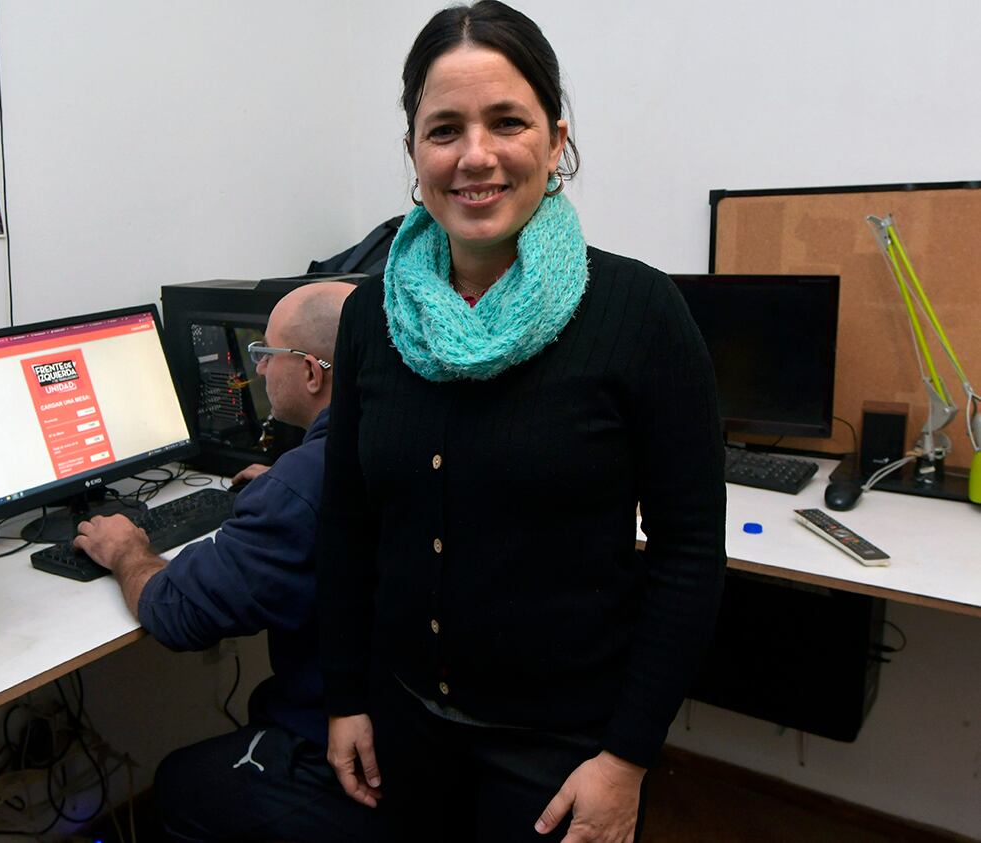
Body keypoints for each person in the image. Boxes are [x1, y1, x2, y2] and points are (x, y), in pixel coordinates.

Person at [317, 3, 727, 842]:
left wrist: (626, 758)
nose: (476, 156)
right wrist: (345, 697)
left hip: (563, 750)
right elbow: (349, 525)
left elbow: (689, 556)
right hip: (404, 726)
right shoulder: (371, 320)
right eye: (444, 130)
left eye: (508, 122)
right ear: (412, 153)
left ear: (554, 138)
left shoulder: (640, 312)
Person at [74, 282, 389, 843]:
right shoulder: (398, 439)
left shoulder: (306, 482)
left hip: (343, 752)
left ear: (313, 374)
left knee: (178, 785)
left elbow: (175, 612)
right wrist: (289, 488)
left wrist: (125, 549)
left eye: (266, 356)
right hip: (409, 738)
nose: (259, 371)